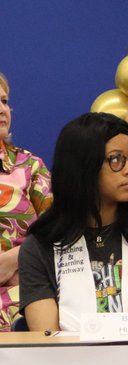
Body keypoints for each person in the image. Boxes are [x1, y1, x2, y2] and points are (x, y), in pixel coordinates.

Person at [19, 113, 128, 331]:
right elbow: (48, 344)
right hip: (70, 363)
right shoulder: (40, 245)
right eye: (116, 159)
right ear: (83, 167)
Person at [0, 71, 53, 329]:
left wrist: (14, 259)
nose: (2, 109)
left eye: (4, 101)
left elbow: (59, 233)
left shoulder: (30, 167)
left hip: (22, 302)